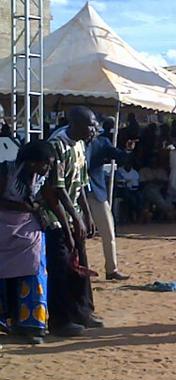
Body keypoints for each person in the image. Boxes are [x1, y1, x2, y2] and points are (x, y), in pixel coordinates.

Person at [42, 106, 102, 336]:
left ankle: (83, 312)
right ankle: (60, 320)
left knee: (80, 265)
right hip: (56, 216)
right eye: (90, 124)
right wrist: (76, 219)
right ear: (74, 123)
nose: (93, 129)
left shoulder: (80, 144)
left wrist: (86, 214)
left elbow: (81, 182)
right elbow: (57, 189)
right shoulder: (57, 144)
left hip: (74, 213)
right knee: (61, 267)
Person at [0, 141, 55, 344]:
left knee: (34, 269)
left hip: (28, 226)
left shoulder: (42, 176)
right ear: (32, 163)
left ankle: (32, 325)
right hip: (4, 225)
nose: (47, 169)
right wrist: (20, 206)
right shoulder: (5, 171)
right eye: (45, 164)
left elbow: (46, 198)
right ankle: (7, 319)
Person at [86, 117, 132, 281]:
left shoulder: (102, 142)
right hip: (76, 193)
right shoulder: (72, 143)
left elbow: (119, 157)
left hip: (96, 192)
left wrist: (127, 150)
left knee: (108, 230)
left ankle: (111, 269)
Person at [139, 156, 176, 221]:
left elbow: (166, 182)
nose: (154, 163)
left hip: (161, 188)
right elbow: (142, 184)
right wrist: (153, 181)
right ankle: (168, 210)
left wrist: (159, 183)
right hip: (149, 189)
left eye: (155, 161)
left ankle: (169, 210)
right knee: (155, 194)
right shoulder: (143, 170)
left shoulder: (161, 171)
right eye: (152, 161)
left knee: (170, 191)